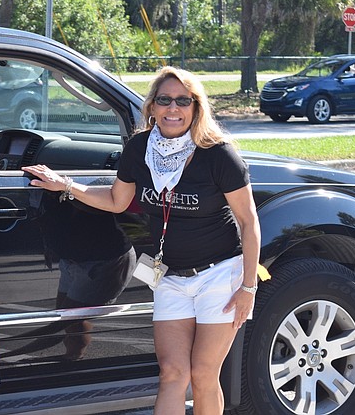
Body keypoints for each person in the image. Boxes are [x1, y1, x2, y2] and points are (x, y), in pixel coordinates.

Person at [22, 66, 261, 415]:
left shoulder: (218, 154)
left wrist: (248, 288)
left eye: (183, 101)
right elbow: (117, 200)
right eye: (164, 100)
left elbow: (249, 221)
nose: (173, 109)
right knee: (171, 373)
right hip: (170, 278)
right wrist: (67, 185)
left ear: (196, 107)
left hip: (219, 276)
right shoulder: (139, 149)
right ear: (152, 106)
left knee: (204, 373)